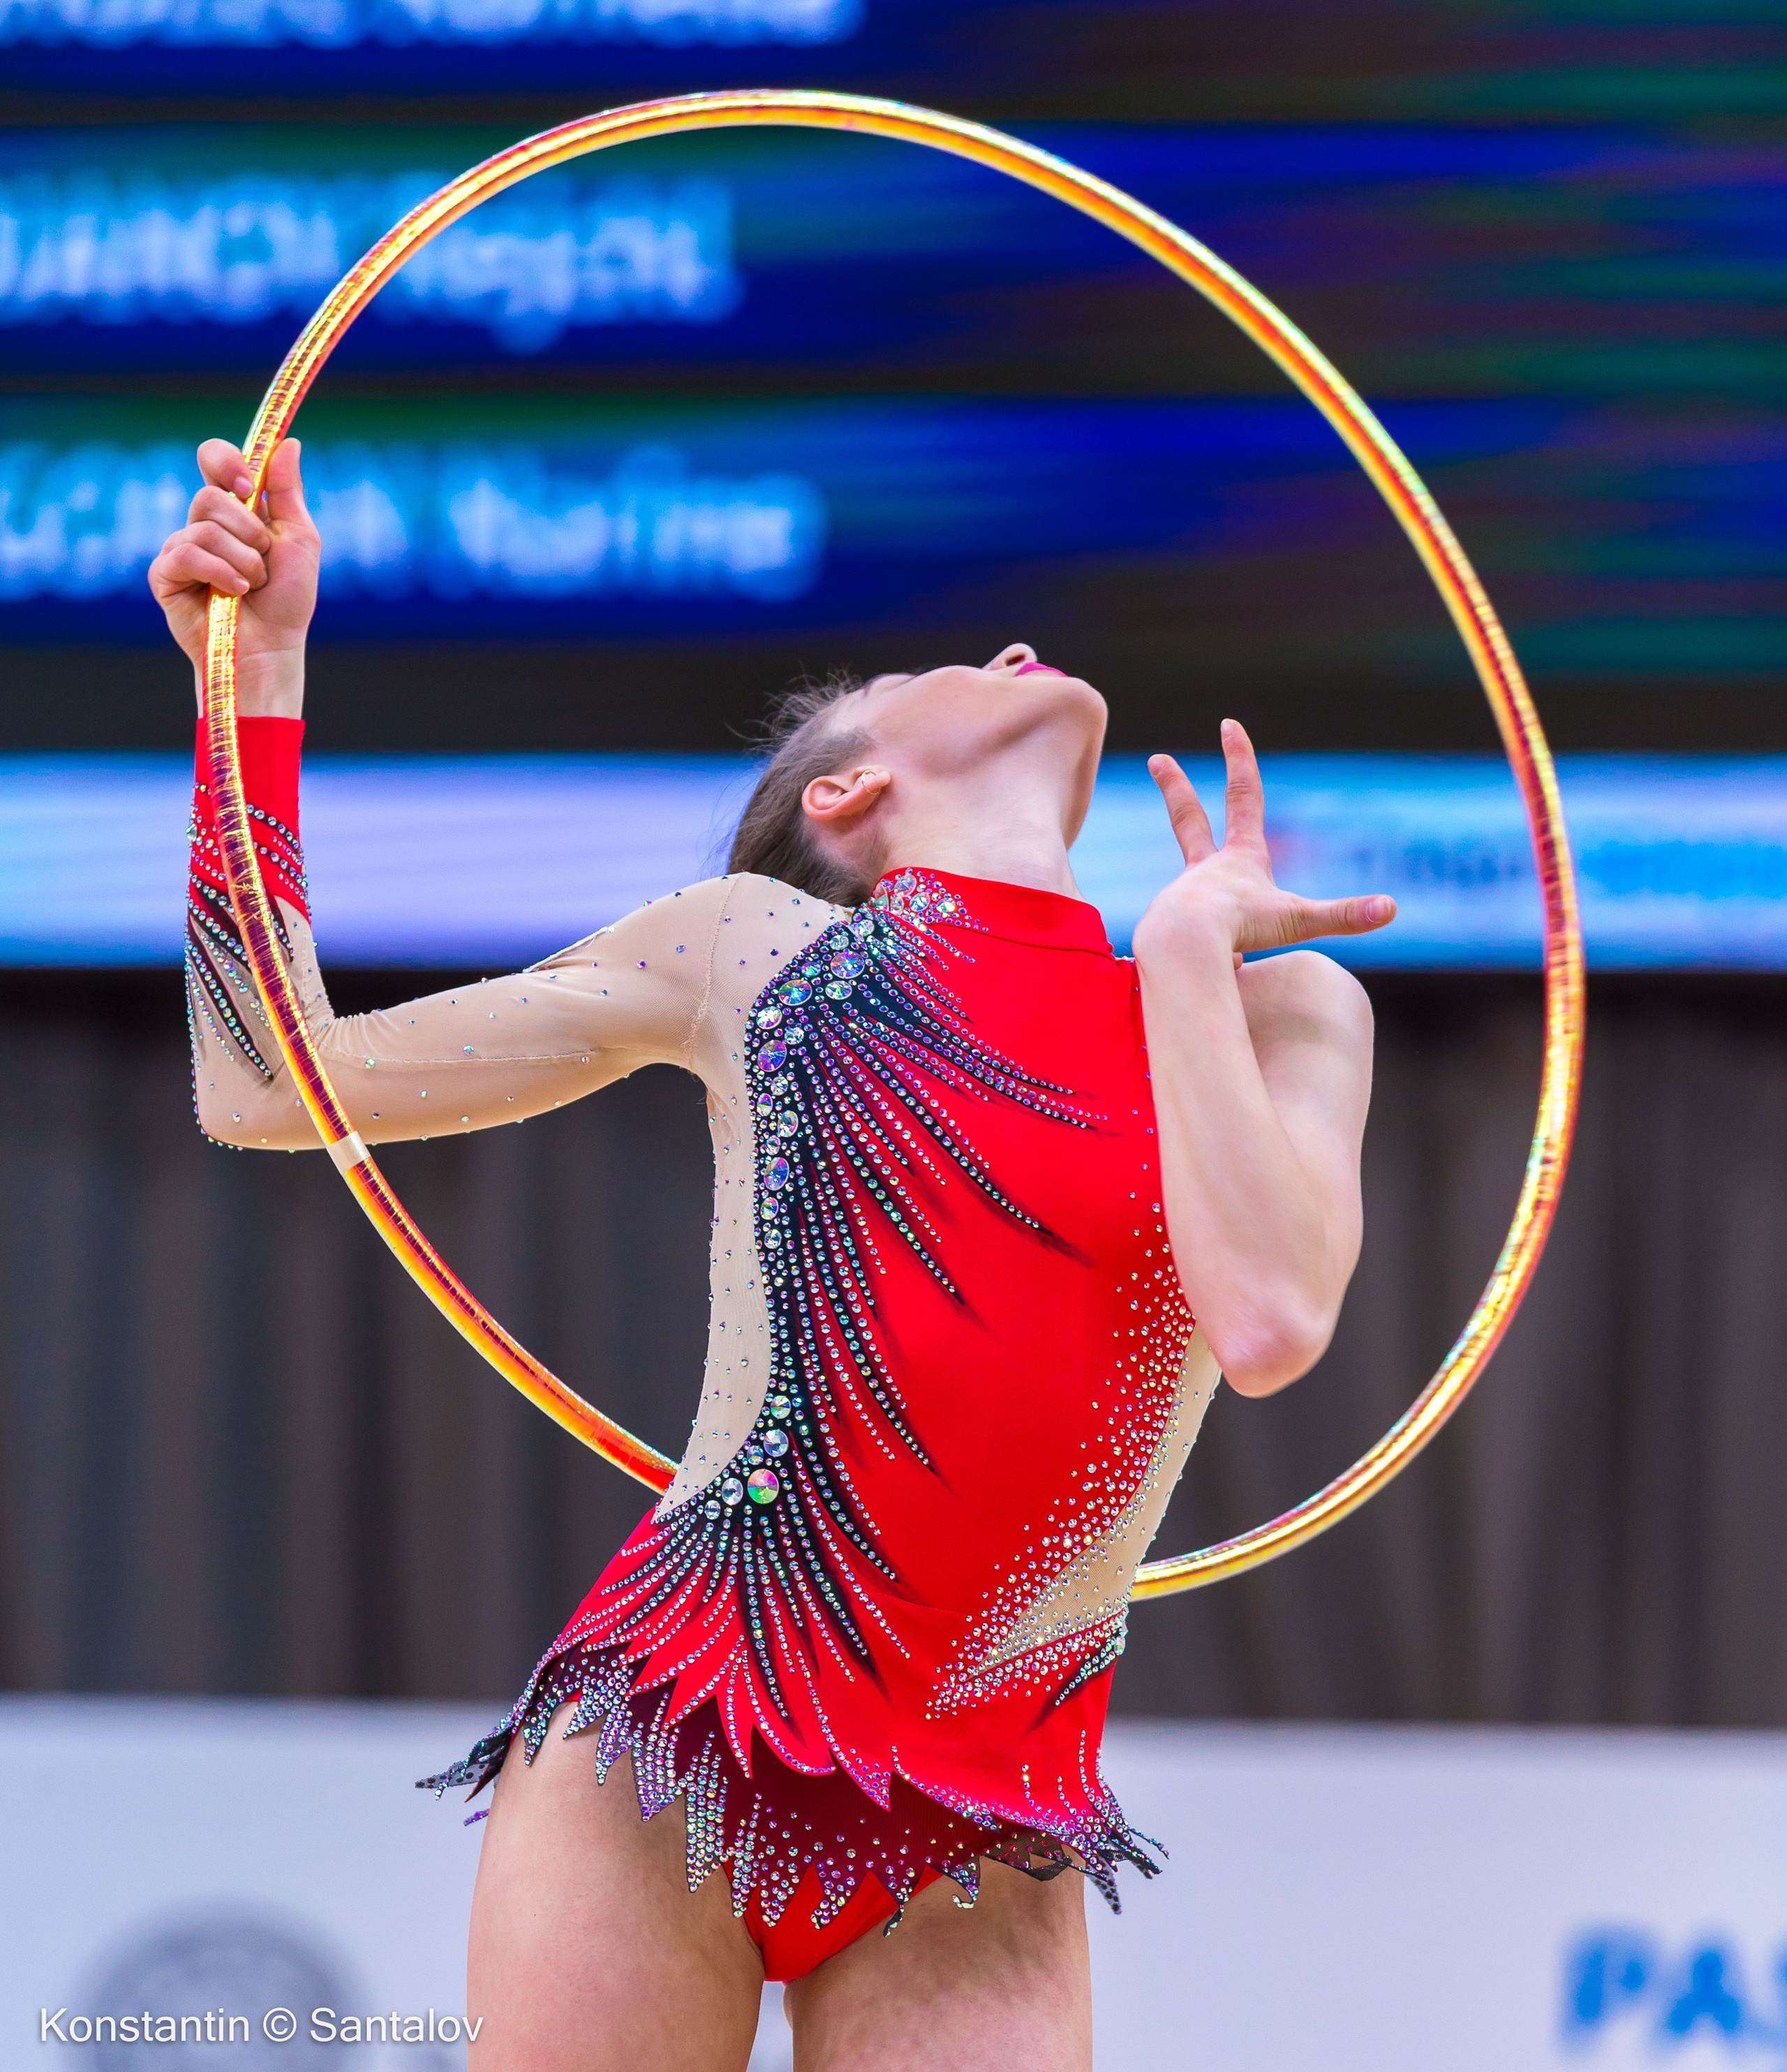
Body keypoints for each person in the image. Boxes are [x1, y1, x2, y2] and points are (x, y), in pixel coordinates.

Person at [151, 436, 1392, 2072]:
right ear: (848, 792)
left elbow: (1269, 1317)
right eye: (937, 666)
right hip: (669, 1745)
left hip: (975, 1827)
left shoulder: (1274, 1006)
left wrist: (1176, 949)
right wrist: (262, 673)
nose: (1010, 647)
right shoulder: (761, 949)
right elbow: (260, 1082)